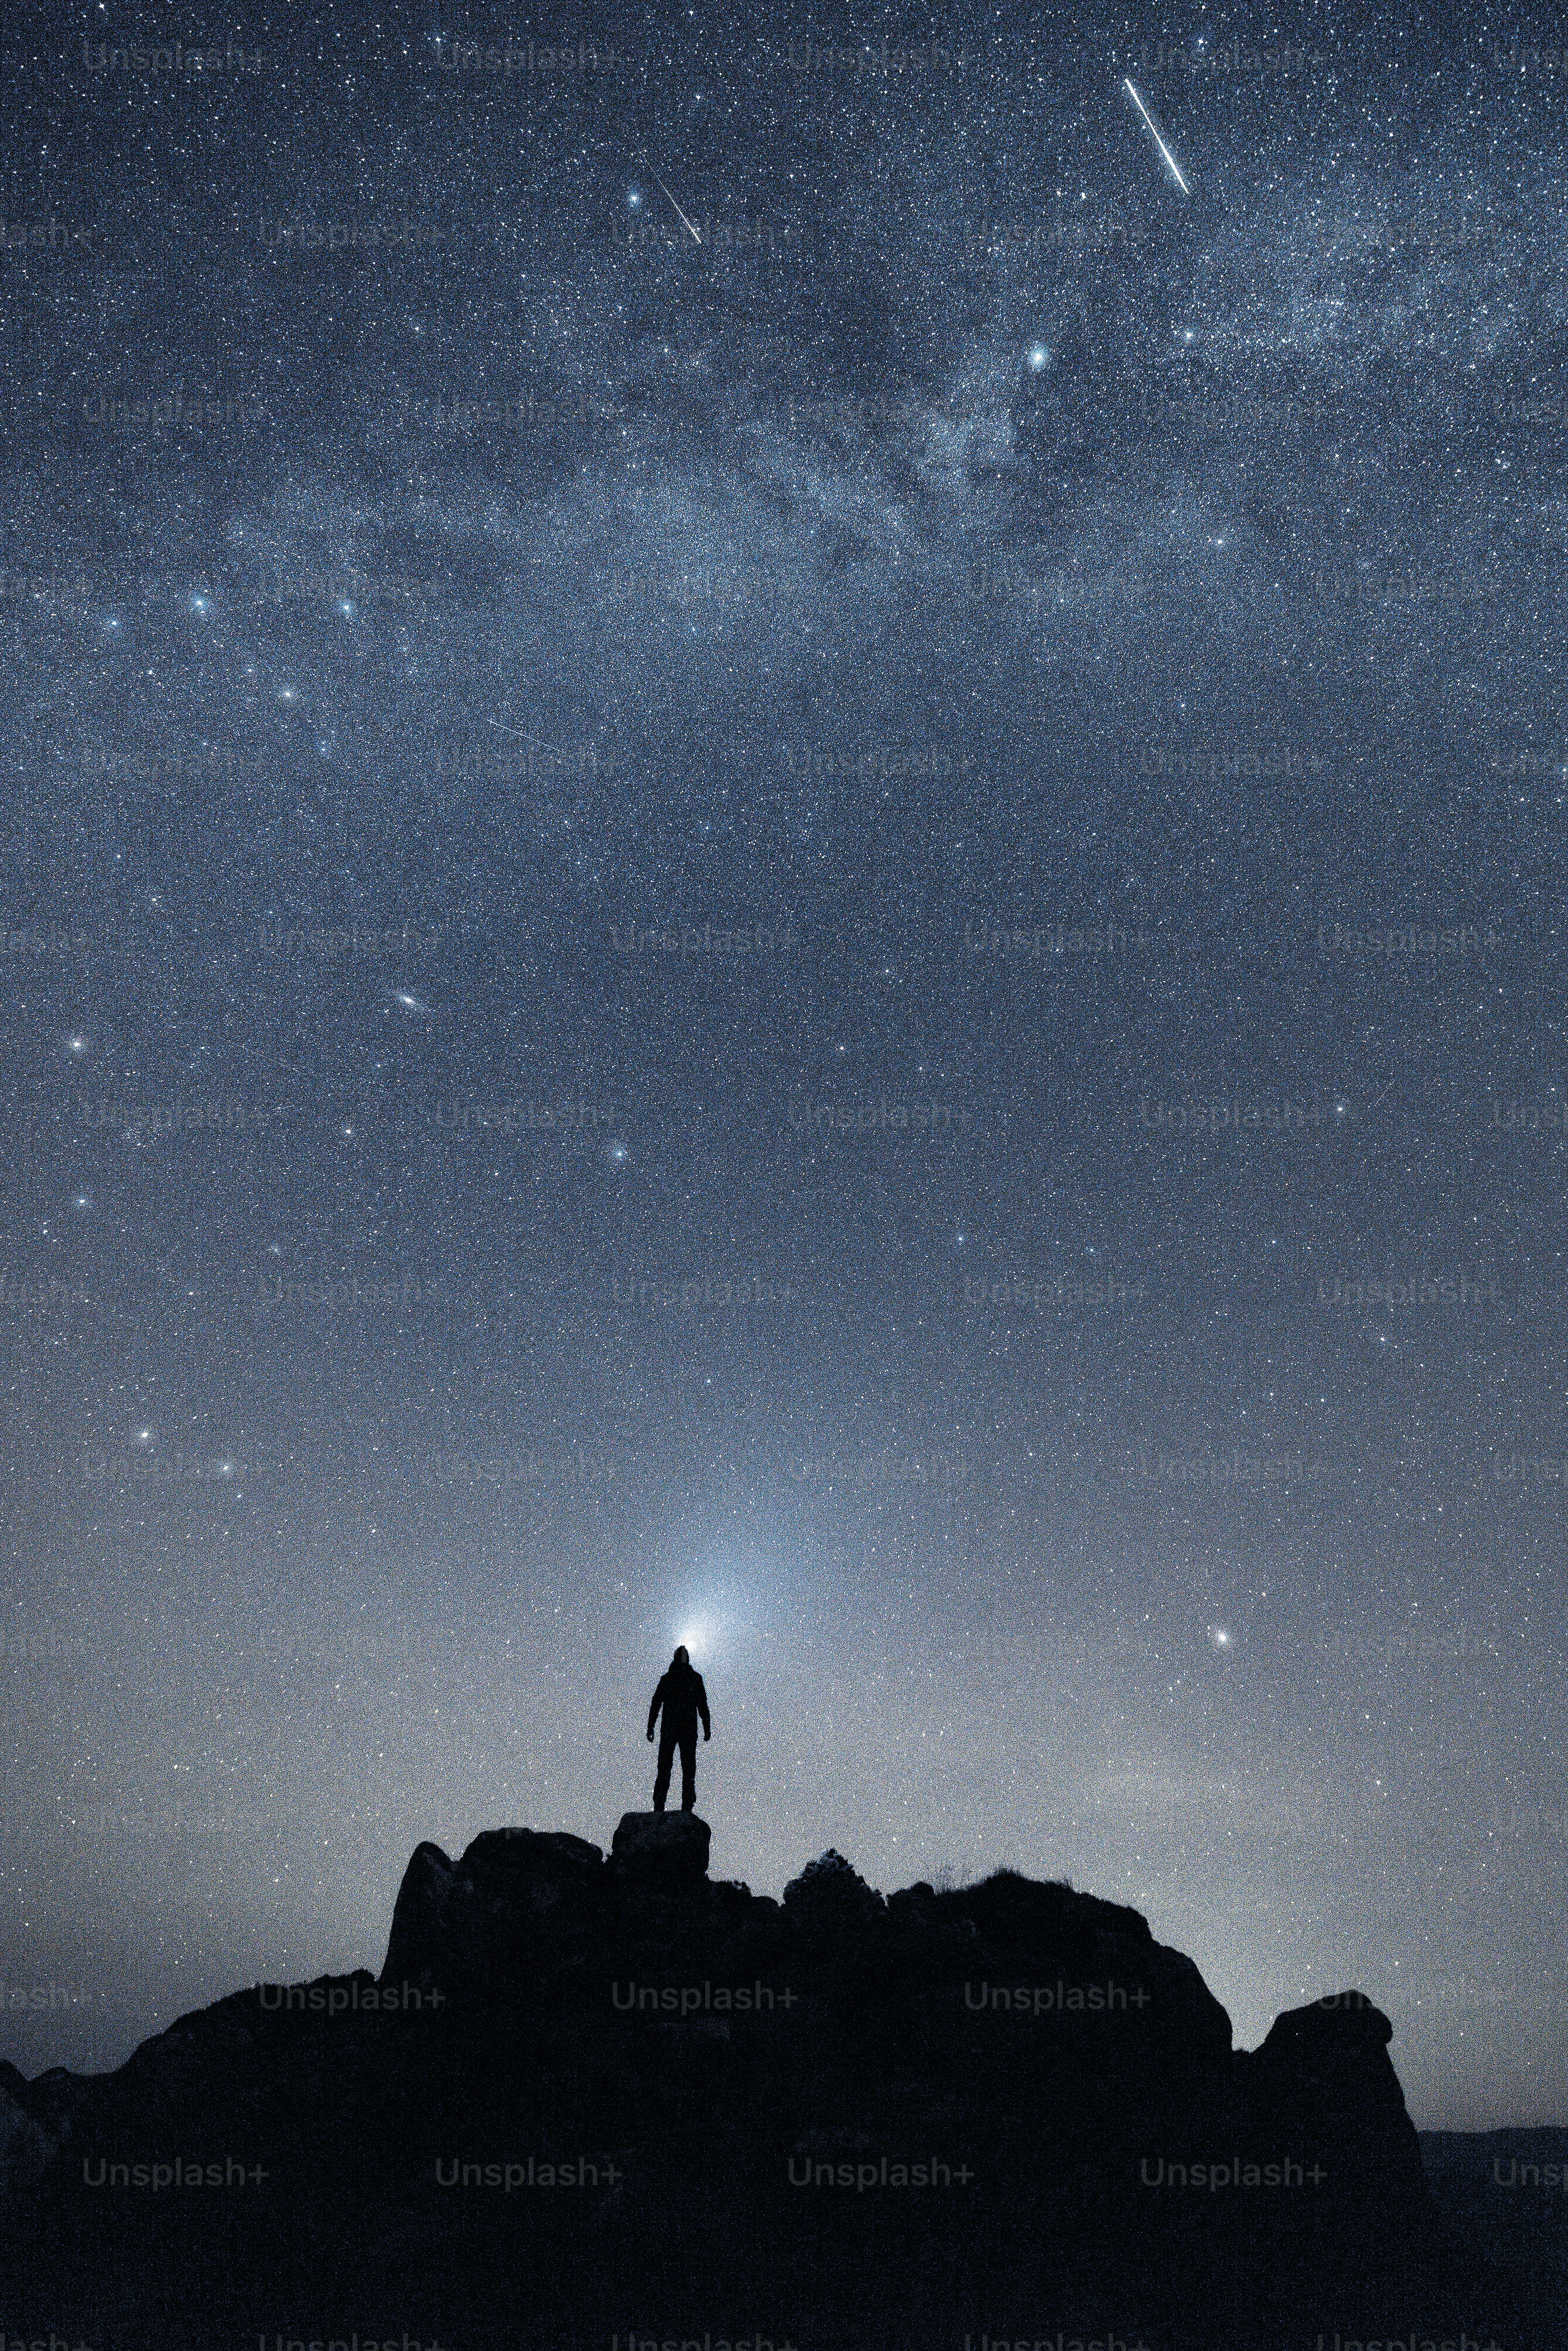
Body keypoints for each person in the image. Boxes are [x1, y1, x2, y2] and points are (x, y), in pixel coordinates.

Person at [646, 1643, 711, 1813]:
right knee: (682, 1769)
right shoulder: (692, 1679)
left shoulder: (671, 1679)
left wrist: (651, 1726)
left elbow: (656, 1703)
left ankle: (665, 1806)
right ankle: (678, 1807)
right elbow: (702, 1705)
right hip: (682, 1730)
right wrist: (707, 1727)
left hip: (674, 1729)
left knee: (672, 1769)